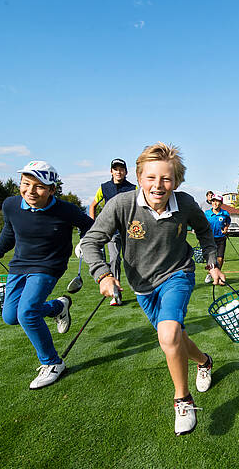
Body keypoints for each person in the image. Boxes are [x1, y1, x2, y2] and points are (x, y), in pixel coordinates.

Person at [80, 142, 223, 436]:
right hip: (141, 285)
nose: (158, 185)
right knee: (176, 337)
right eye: (151, 177)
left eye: (166, 178)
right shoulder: (121, 205)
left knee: (168, 334)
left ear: (177, 181)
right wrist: (103, 274)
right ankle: (205, 362)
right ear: (139, 176)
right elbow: (91, 241)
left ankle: (182, 400)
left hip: (178, 274)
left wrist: (212, 262)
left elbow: (205, 232)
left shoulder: (185, 204)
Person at [0, 161, 94, 389]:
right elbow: (9, 230)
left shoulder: (66, 210)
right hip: (19, 265)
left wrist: (85, 240)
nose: (31, 191)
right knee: (11, 317)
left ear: (52, 190)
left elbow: (89, 225)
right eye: (25, 184)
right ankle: (57, 307)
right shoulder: (11, 205)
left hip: (49, 265)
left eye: (39, 186)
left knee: (27, 313)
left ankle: (52, 363)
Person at [88, 158, 137, 306]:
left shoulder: (133, 188)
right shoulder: (104, 187)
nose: (118, 171)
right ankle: (116, 293)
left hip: (130, 231)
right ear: (111, 171)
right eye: (115, 169)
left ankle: (141, 287)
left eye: (121, 169)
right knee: (115, 259)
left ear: (126, 172)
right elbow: (93, 205)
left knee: (134, 260)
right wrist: (93, 224)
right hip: (113, 231)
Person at [204, 193, 231, 282]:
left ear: (221, 203)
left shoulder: (225, 213)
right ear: (211, 202)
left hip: (221, 238)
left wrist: (226, 228)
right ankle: (210, 274)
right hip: (210, 239)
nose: (215, 203)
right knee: (211, 259)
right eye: (214, 201)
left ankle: (217, 274)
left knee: (220, 258)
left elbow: (228, 222)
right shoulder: (207, 213)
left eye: (218, 201)